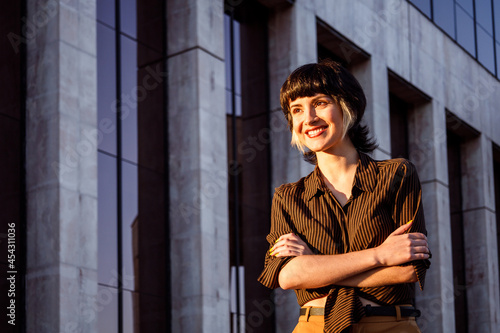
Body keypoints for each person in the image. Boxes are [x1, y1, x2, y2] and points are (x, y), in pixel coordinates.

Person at [258, 60, 431, 333]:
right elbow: (288, 276)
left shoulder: (397, 174)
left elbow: (408, 270)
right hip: (313, 326)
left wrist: (314, 264)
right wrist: (380, 255)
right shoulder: (287, 197)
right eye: (297, 110)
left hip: (389, 325)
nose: (309, 118)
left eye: (321, 102)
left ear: (347, 106)